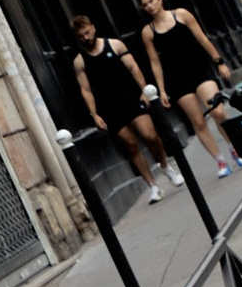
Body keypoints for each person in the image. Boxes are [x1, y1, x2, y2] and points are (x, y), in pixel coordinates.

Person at [136, 0, 242, 179]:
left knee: (217, 110)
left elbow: (202, 38)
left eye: (151, 1)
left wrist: (218, 62)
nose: (149, 7)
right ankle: (220, 160)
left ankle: (235, 149)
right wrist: (161, 90)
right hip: (177, 79)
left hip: (199, 68)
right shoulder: (148, 32)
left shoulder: (182, 15)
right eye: (145, 5)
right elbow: (155, 62)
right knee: (198, 121)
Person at [69, 13, 168, 207]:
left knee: (150, 135)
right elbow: (86, 90)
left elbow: (133, 67)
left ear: (93, 28)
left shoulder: (115, 45)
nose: (86, 38)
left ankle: (165, 165)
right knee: (130, 146)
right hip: (109, 107)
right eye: (81, 36)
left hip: (130, 97)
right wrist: (94, 114)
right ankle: (153, 186)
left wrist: (143, 90)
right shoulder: (80, 61)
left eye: (87, 33)